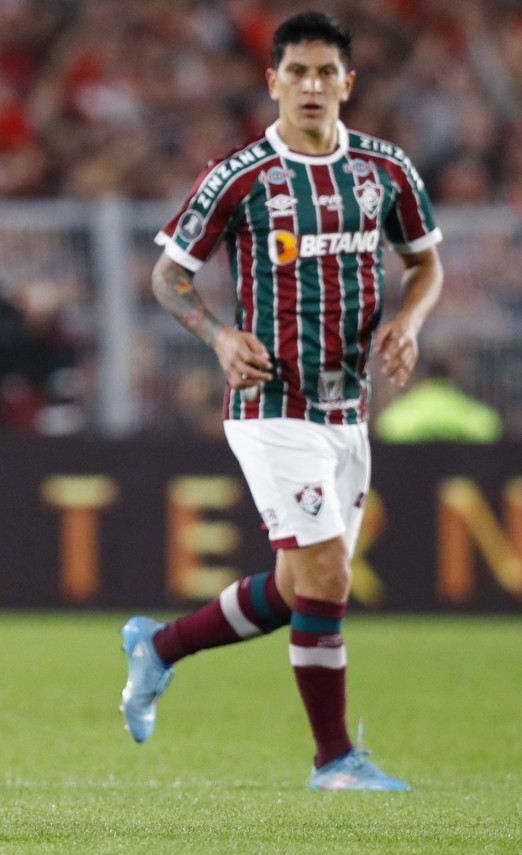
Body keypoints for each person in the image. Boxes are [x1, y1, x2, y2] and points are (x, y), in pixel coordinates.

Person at [121, 12, 443, 791]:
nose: (310, 85)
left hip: (347, 410)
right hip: (271, 406)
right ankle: (334, 758)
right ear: (272, 82)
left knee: (298, 588)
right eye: (295, 71)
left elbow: (426, 265)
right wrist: (219, 337)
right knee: (329, 574)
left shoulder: (384, 169)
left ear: (347, 83)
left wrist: (410, 320)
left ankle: (159, 648)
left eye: (325, 72)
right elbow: (168, 277)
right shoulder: (239, 176)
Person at [374, 358, 501, 443]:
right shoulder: (467, 409)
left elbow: (386, 428)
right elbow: (490, 428)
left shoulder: (403, 411)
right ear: (451, 377)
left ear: (421, 376)